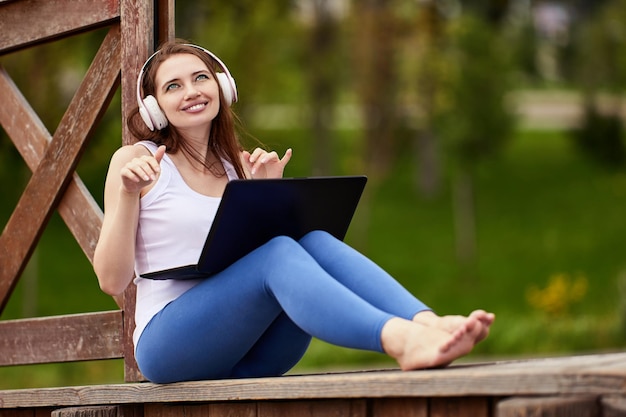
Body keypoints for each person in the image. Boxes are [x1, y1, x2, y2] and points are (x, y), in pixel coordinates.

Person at [93, 40, 495, 384]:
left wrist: (267, 194)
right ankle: (400, 340)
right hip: (171, 345)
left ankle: (425, 323)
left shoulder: (237, 167)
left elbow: (250, 263)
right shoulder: (137, 162)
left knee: (313, 240)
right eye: (173, 86)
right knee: (280, 253)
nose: (192, 91)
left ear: (222, 86)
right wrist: (128, 194)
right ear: (154, 108)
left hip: (254, 351)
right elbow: (112, 280)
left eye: (201, 77)